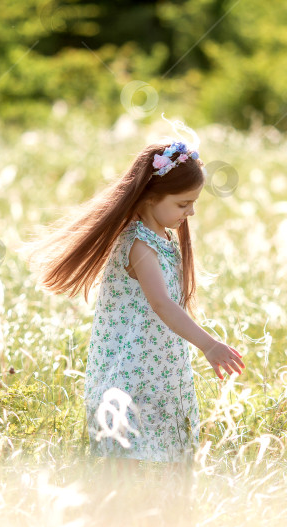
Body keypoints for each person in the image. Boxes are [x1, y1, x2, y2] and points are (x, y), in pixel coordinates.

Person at [23, 140, 245, 501]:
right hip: (134, 369)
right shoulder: (139, 245)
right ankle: (116, 514)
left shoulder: (161, 239)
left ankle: (170, 514)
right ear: (150, 196)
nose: (189, 213)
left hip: (160, 366)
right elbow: (161, 304)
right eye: (182, 204)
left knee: (174, 445)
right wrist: (209, 344)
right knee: (125, 455)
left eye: (193, 204)